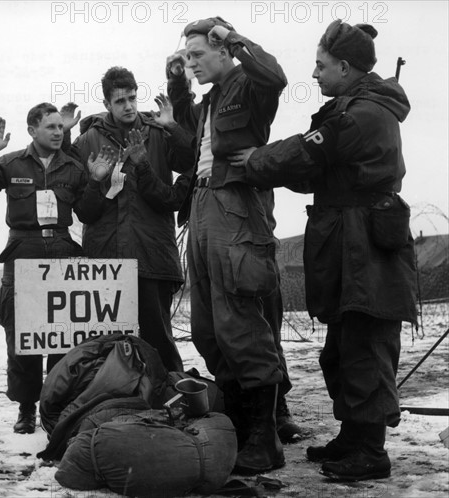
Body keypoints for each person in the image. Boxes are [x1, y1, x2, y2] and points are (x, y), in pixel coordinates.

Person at [244, 20, 417, 481]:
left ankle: (371, 452)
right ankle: (354, 436)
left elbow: (306, 153)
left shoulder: (363, 114)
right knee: (341, 347)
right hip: (347, 235)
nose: (315, 74)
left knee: (366, 345)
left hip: (365, 242)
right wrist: (281, 168)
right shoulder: (351, 107)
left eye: (321, 66)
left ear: (345, 66)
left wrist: (253, 161)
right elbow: (313, 170)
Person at [165, 17, 290, 474]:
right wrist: (179, 90)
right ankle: (240, 426)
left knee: (240, 323)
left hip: (236, 207)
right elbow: (188, 150)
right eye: (187, 56)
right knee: (209, 327)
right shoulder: (212, 98)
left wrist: (233, 38)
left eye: (198, 54)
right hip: (202, 205)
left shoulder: (248, 84)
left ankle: (266, 437)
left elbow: (276, 76)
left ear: (221, 50)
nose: (191, 62)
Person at [0, 104, 111, 434]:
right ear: (33, 130)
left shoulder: (74, 166)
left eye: (61, 126)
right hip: (23, 252)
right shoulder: (12, 161)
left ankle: (54, 404)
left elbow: (87, 213)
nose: (58, 132)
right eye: (51, 127)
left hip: (61, 251)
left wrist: (97, 182)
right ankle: (26, 407)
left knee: (62, 332)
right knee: (22, 335)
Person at [66, 67, 194, 373]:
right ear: (107, 102)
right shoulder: (87, 142)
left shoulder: (159, 132)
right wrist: (98, 181)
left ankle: (171, 401)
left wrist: (174, 126)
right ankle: (111, 406)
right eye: (120, 100)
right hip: (105, 258)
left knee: (159, 340)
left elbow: (194, 160)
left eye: (133, 98)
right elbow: (82, 210)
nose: (128, 106)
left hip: (151, 255)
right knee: (107, 344)